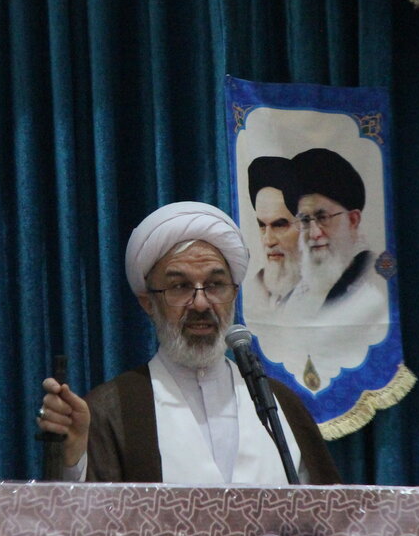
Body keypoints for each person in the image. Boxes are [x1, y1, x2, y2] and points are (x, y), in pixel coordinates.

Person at [36, 201, 340, 484]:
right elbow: (82, 516)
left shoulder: (280, 405)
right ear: (148, 303)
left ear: (234, 294)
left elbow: (327, 516)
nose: (201, 303)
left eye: (215, 285)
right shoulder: (111, 409)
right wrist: (72, 461)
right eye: (180, 286)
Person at [287, 148, 384, 315]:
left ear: (353, 220)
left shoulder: (373, 291)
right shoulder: (291, 299)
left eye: (323, 217)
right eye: (305, 220)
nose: (314, 233)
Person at [241, 156, 302, 316]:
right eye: (262, 225)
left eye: (279, 225)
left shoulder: (332, 294)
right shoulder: (255, 287)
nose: (268, 241)